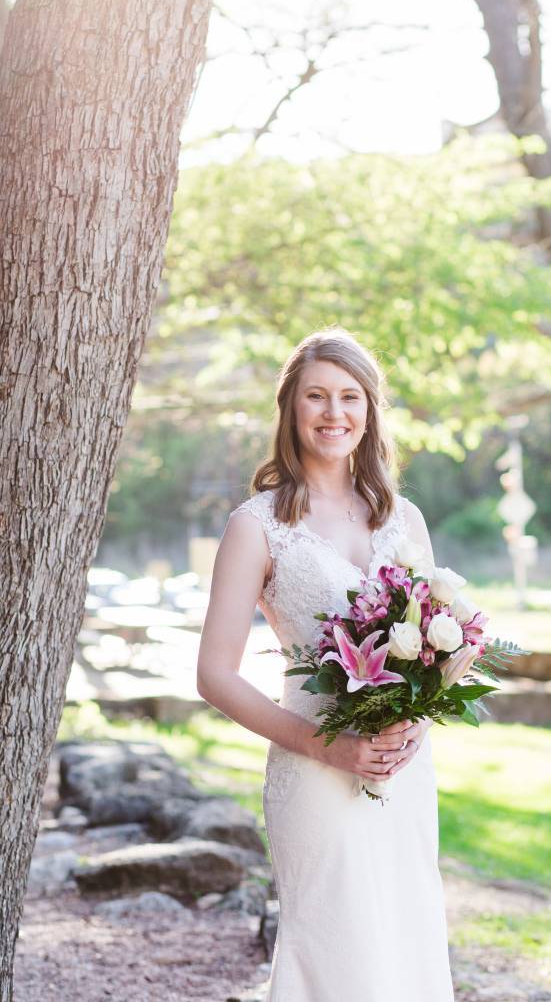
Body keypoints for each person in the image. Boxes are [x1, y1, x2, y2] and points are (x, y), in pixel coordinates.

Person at [196, 327, 454, 1001]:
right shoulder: (256, 525)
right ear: (291, 408)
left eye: (349, 396)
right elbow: (214, 675)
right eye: (315, 396)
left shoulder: (404, 518)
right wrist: (328, 746)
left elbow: (434, 643)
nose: (333, 412)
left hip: (403, 770)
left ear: (369, 410)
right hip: (315, 766)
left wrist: (417, 723)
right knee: (336, 953)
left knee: (407, 937)